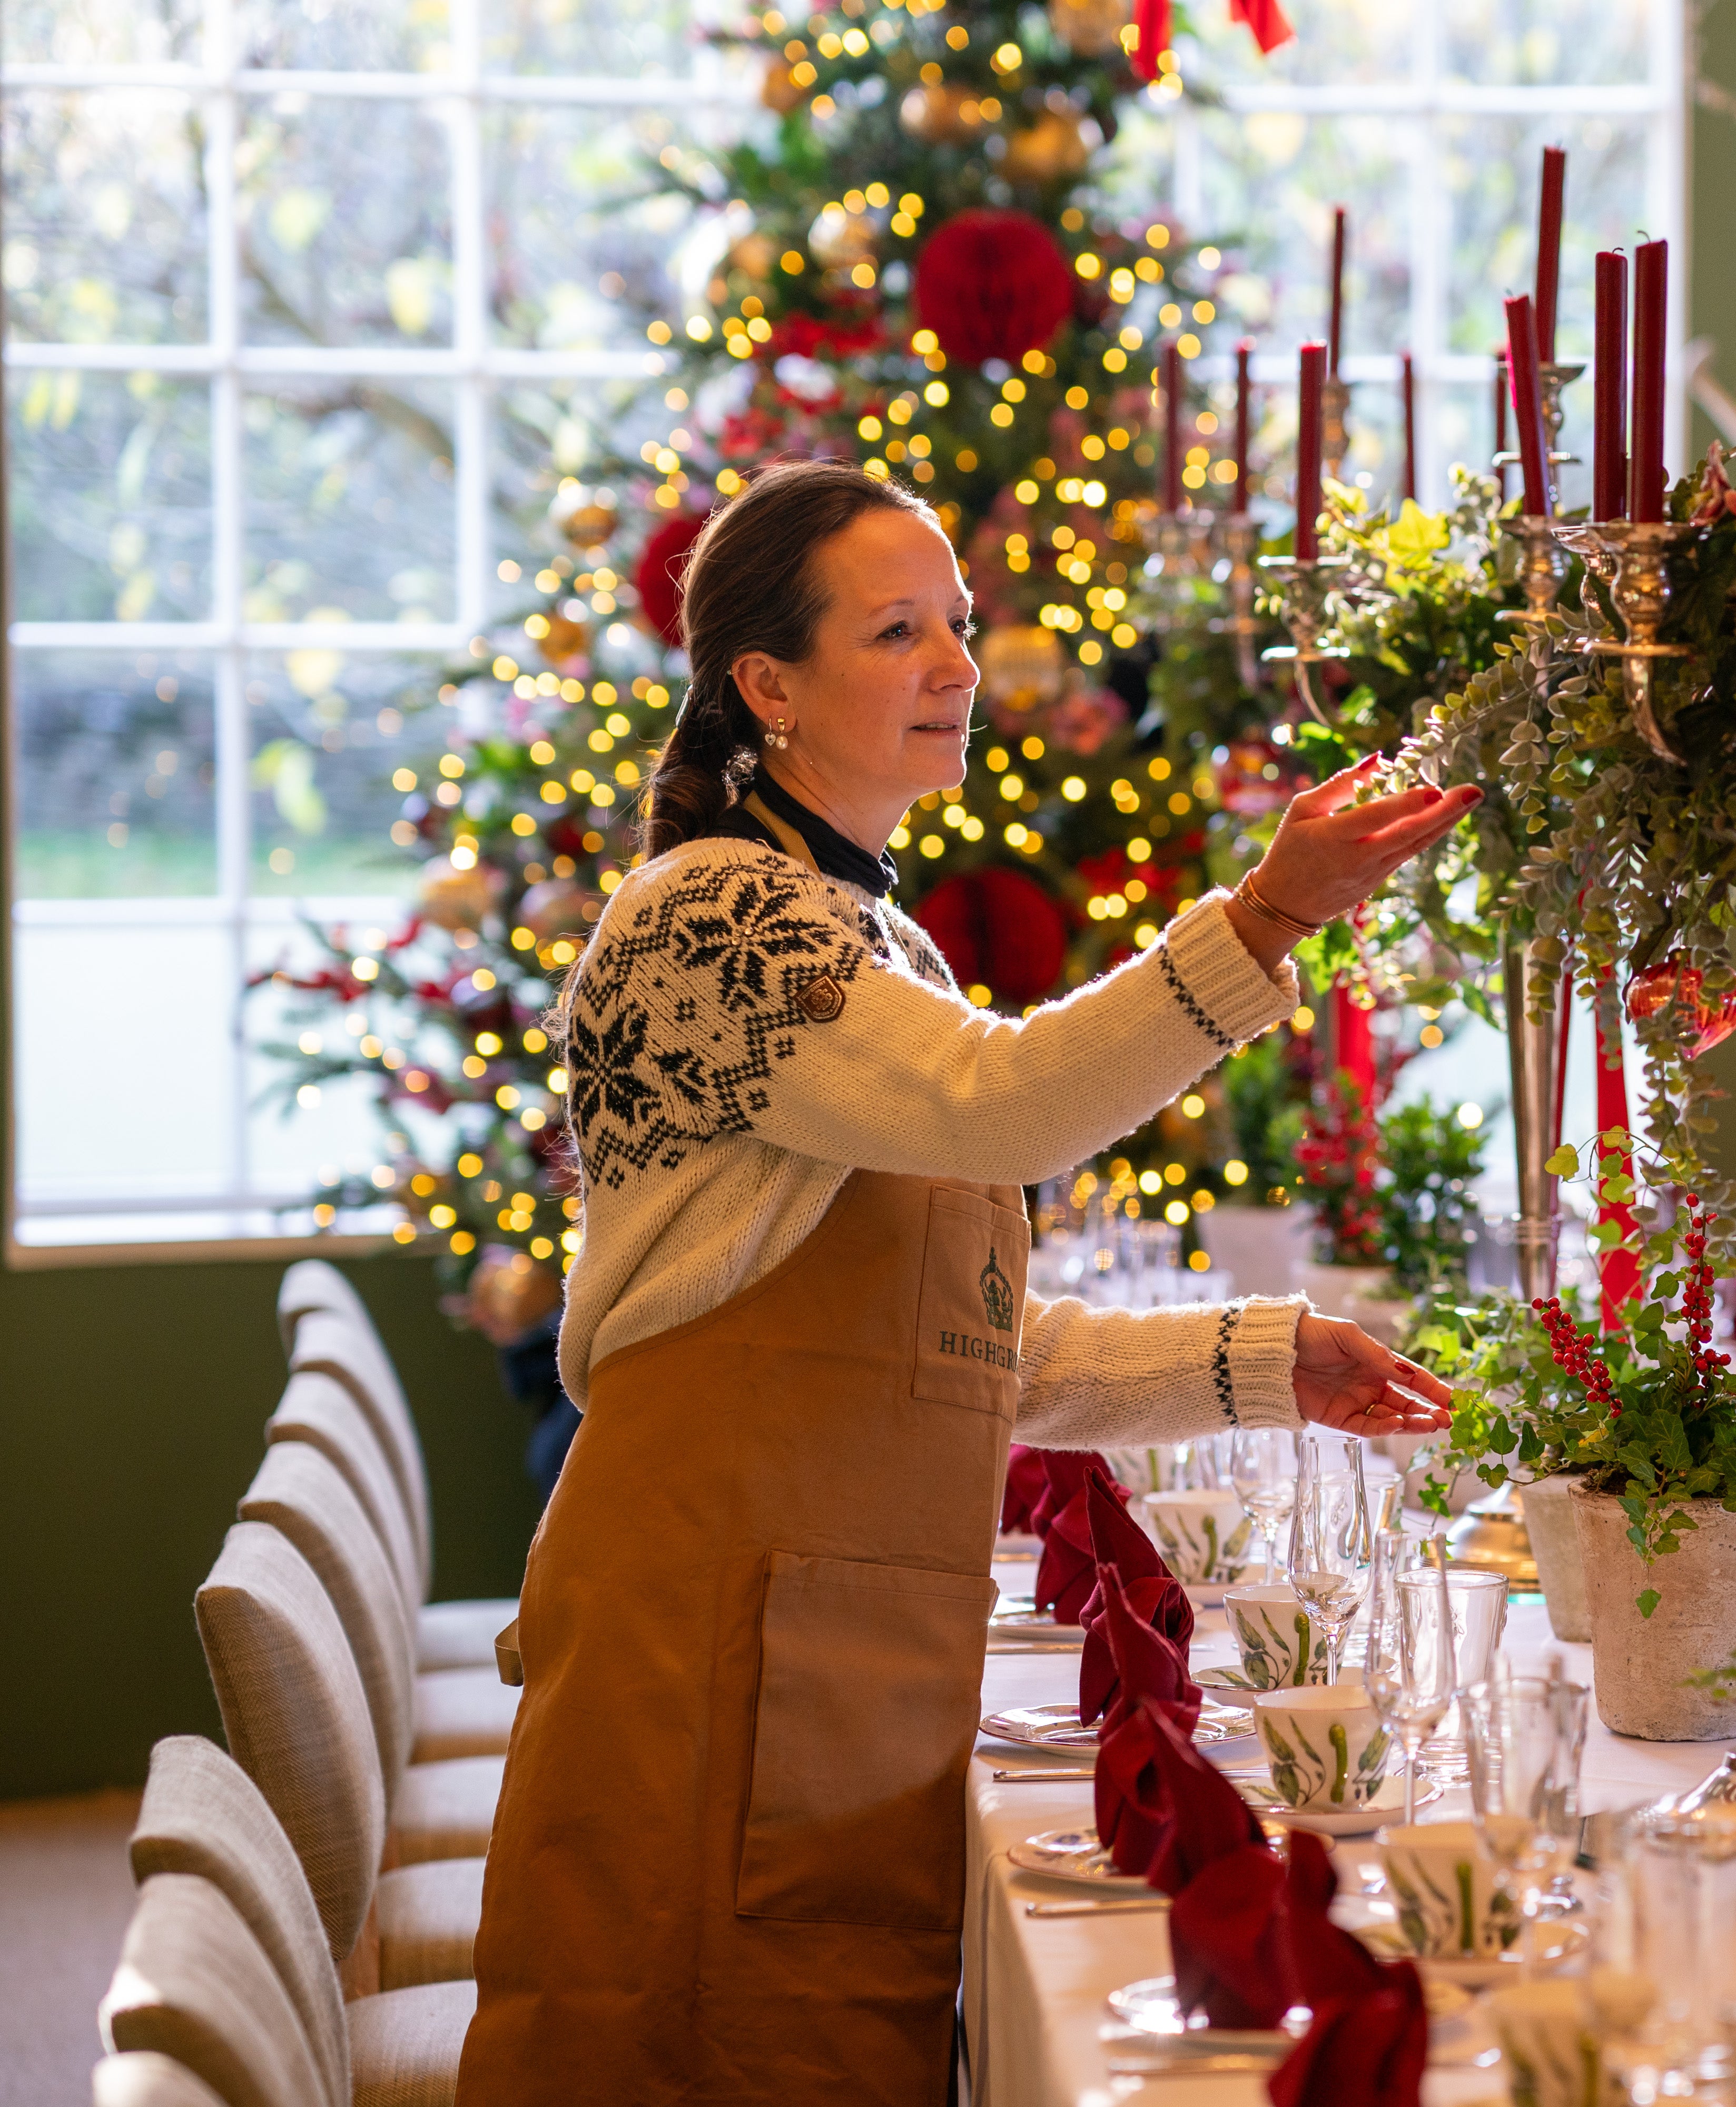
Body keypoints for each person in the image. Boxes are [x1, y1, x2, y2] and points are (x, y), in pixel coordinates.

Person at [460, 458, 1480, 2102]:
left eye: (960, 623)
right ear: (766, 687)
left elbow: (956, 1353)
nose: (955, 663)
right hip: (708, 1626)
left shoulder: (876, 942)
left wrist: (1254, 1362)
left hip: (843, 1631)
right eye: (897, 631)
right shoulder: (712, 924)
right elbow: (1002, 1099)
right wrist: (1268, 914)